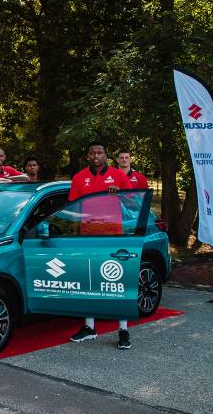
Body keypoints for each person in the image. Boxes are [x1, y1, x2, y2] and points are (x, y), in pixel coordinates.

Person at [68, 142, 133, 350]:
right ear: (87, 155)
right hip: (88, 237)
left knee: (116, 283)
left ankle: (123, 329)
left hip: (113, 236)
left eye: (100, 152)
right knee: (89, 283)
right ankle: (89, 327)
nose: (96, 155)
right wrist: (76, 237)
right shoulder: (79, 178)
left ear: (106, 155)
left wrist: (120, 194)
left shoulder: (119, 176)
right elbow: (74, 209)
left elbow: (133, 203)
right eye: (92, 152)